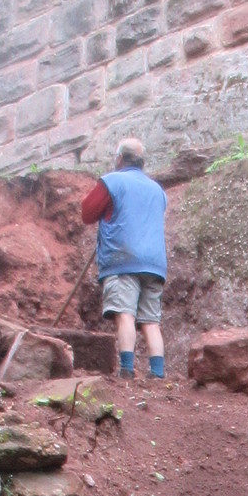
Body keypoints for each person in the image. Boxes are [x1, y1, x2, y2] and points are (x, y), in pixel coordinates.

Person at [79, 135, 167, 379]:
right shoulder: (157, 190)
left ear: (119, 158)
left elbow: (87, 213)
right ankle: (157, 372)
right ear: (142, 162)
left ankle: (127, 369)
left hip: (123, 261)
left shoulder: (112, 182)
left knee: (125, 313)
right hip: (154, 264)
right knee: (150, 321)